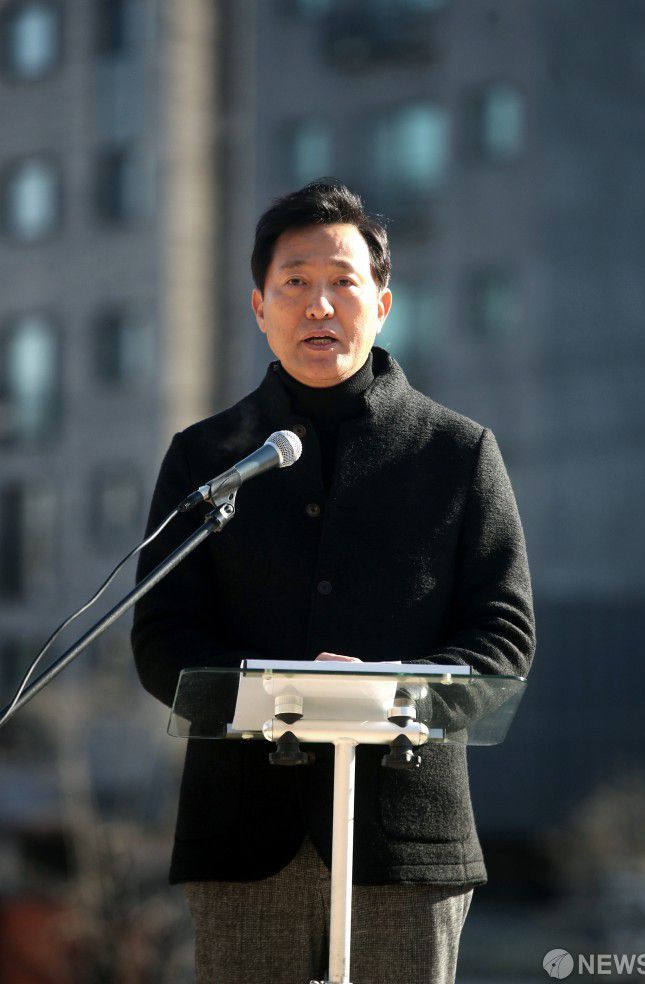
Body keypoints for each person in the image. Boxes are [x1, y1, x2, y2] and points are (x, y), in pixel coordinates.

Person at [131, 181, 535, 984]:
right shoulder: (206, 457)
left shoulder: (457, 453)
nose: (319, 304)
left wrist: (391, 693)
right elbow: (162, 637)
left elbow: (503, 634)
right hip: (244, 841)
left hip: (407, 845)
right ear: (259, 307)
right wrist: (275, 693)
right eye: (295, 282)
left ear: (381, 304)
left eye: (342, 282)